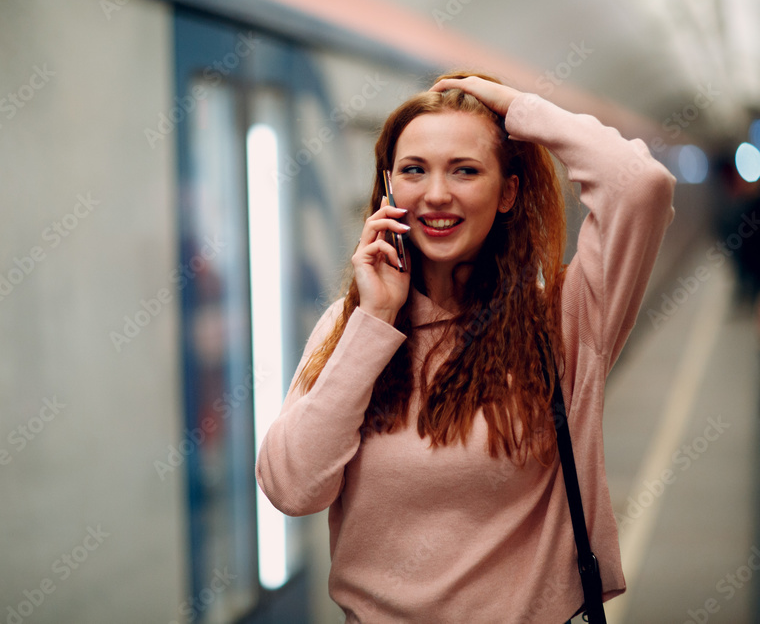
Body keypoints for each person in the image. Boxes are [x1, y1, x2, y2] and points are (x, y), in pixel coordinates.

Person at [255, 72, 676, 622]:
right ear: (387, 189)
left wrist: (517, 106)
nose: (436, 194)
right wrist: (376, 319)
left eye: (466, 170)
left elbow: (641, 184)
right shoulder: (352, 325)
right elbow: (292, 489)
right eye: (414, 170)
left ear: (508, 193)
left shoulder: (563, 321)